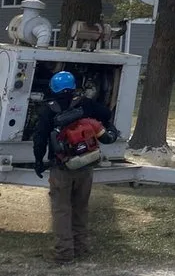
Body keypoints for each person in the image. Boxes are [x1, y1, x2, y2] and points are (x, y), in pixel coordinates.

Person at [32, 71, 118, 263]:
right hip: (86, 164)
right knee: (80, 207)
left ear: (53, 88)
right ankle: (81, 247)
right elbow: (106, 114)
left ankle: (64, 253)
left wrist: (38, 161)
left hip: (62, 167)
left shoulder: (48, 109)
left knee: (62, 210)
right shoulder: (85, 104)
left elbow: (39, 139)